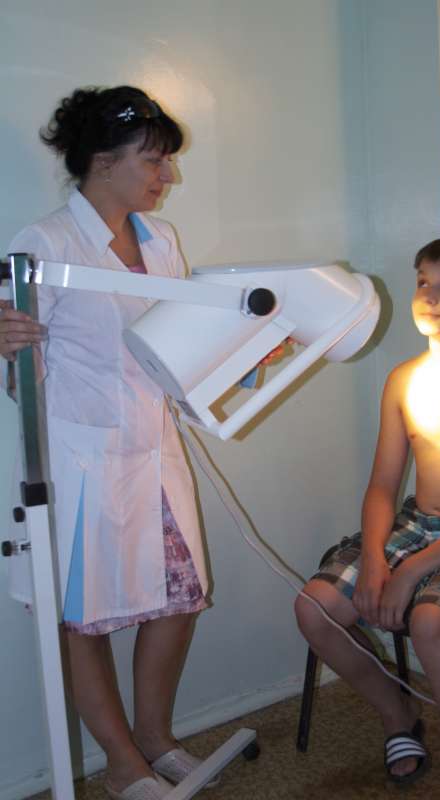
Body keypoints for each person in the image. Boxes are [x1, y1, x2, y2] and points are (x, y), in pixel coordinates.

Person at [0, 85, 218, 800]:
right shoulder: (46, 243)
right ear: (102, 161)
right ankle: (123, 764)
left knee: (178, 599)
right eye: (153, 162)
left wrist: (239, 353)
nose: (167, 176)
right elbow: (19, 372)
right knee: (81, 615)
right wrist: (6, 344)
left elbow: (178, 341)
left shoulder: (163, 241)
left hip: (155, 447)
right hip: (81, 458)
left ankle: (155, 738)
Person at [295, 236, 440, 785]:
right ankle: (397, 713)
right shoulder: (402, 380)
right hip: (417, 523)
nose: (429, 294)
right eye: (423, 281)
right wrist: (377, 562)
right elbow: (382, 485)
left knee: (431, 622)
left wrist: (409, 573)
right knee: (314, 609)